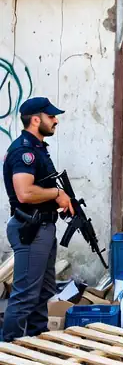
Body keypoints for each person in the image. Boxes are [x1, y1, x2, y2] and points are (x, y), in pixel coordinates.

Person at [2, 98, 74, 341]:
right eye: (51, 116)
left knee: (43, 293)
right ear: (36, 119)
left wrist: (60, 203)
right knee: (25, 296)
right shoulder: (25, 151)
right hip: (31, 229)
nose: (56, 120)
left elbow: (39, 189)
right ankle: (8, 357)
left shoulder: (38, 148)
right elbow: (25, 192)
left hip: (43, 227)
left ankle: (35, 346)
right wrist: (56, 194)